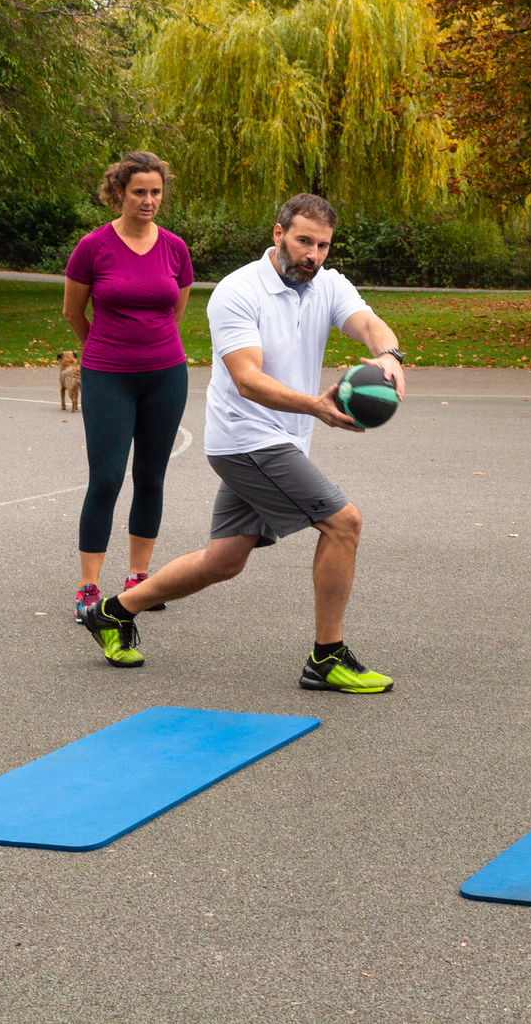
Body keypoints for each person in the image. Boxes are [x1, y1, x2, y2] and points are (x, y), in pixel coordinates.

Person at [78, 192, 404, 690]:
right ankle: (326, 658)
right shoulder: (237, 291)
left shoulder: (328, 284)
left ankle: (114, 612)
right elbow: (247, 379)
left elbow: (365, 322)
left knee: (224, 559)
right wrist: (316, 406)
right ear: (278, 235)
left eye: (322, 245)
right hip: (246, 439)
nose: (312, 255)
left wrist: (388, 355)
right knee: (343, 524)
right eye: (302, 241)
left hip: (283, 439)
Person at [63, 152, 193, 629]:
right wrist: (101, 352)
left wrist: (150, 350)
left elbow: (174, 312)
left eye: (156, 191)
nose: (148, 200)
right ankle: (89, 588)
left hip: (165, 374)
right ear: (119, 192)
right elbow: (74, 312)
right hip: (107, 375)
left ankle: (140, 579)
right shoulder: (92, 246)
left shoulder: (175, 248)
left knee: (152, 476)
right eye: (139, 191)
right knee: (106, 479)